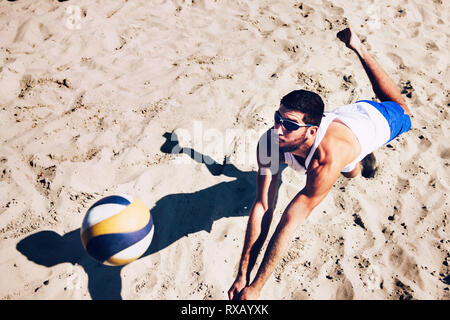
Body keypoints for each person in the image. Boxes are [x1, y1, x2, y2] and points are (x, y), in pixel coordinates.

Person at [228, 27, 412, 300]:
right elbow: (264, 205)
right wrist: (242, 275)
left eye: (288, 125)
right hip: (343, 126)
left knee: (400, 107)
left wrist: (257, 287)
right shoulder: (270, 141)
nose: (277, 129)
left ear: (312, 131)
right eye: (277, 119)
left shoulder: (326, 160)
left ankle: (359, 48)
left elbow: (289, 221)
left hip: (375, 122)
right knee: (349, 170)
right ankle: (355, 161)